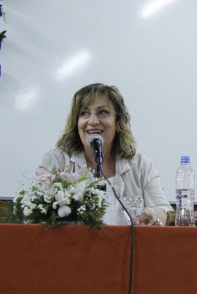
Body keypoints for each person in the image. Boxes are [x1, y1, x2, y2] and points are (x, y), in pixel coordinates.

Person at [37, 83, 171, 225]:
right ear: (76, 123)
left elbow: (164, 209)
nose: (93, 121)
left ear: (118, 122)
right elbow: (37, 215)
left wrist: (155, 215)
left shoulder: (141, 165)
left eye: (102, 112)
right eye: (84, 113)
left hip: (128, 247)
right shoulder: (56, 162)